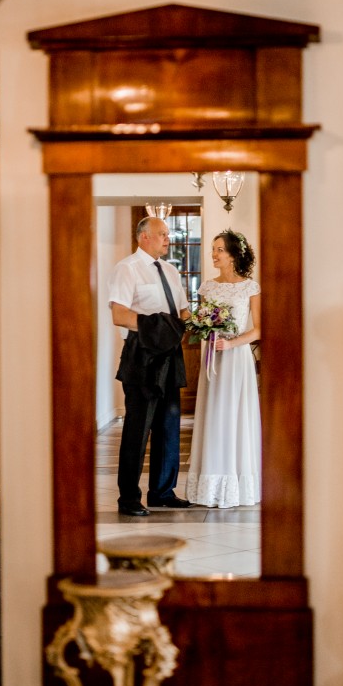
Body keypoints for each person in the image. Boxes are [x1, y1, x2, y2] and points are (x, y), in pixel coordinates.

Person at [108, 216, 192, 517]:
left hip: (170, 356)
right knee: (138, 428)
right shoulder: (126, 268)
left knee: (169, 426)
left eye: (168, 234)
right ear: (144, 237)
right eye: (162, 234)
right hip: (141, 356)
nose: (168, 239)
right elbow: (119, 314)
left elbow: (183, 310)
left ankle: (162, 492)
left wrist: (188, 326)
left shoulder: (171, 270)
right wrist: (157, 329)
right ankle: (129, 498)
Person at [186, 229, 261, 508]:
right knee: (214, 413)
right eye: (213, 249)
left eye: (219, 250)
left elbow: (259, 329)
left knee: (234, 414)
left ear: (233, 255)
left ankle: (236, 483)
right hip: (213, 359)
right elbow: (202, 321)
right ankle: (210, 484)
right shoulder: (208, 287)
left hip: (237, 357)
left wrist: (232, 344)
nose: (214, 254)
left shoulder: (250, 287)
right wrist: (205, 331)